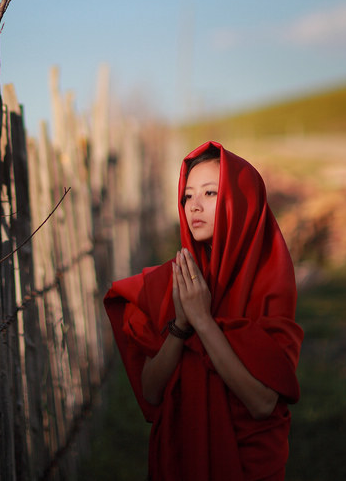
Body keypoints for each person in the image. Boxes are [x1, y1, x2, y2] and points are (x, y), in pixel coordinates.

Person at [104, 140, 303, 481]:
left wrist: (202, 321)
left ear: (241, 201)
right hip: (181, 460)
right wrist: (180, 326)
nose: (194, 206)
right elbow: (151, 391)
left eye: (210, 193)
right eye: (187, 196)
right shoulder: (176, 279)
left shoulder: (269, 285)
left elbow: (261, 403)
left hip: (248, 466)